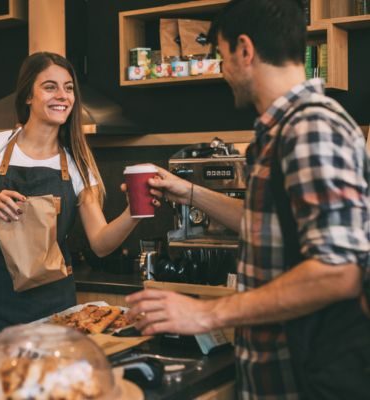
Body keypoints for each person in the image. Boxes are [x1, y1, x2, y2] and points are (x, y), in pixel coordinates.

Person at [126, 0, 370, 398]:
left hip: (307, 381)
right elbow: (265, 225)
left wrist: (205, 312)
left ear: (245, 50)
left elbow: (337, 270)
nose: (223, 72)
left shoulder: (310, 127)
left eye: (221, 57)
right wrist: (186, 191)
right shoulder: (282, 131)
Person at [0, 52, 156, 341]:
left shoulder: (77, 164)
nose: (62, 95)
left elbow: (100, 243)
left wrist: (135, 211)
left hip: (55, 311)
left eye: (69, 87)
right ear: (28, 96)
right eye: (50, 87)